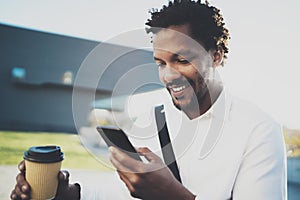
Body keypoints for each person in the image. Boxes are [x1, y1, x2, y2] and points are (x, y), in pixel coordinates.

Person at [11, 0, 287, 199]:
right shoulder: (149, 119)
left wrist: (171, 196)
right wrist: (68, 195)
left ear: (215, 56)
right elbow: (116, 193)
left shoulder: (258, 130)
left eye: (181, 60)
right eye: (160, 62)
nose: (169, 76)